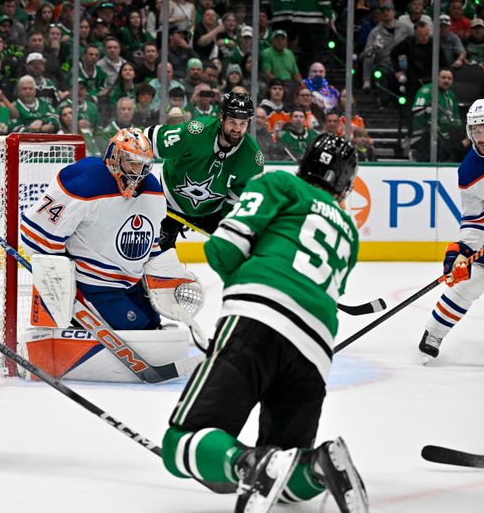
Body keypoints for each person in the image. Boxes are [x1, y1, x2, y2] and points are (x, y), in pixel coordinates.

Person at [161, 133, 368, 513]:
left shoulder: (278, 182)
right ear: (343, 184)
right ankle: (319, 467)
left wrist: (245, 284)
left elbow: (221, 249)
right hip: (316, 350)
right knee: (289, 474)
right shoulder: (348, 231)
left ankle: (248, 463)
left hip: (257, 320)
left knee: (180, 444)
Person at [20, 128, 166, 330]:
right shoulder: (85, 182)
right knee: (138, 327)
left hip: (132, 283)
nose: (138, 172)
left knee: (154, 323)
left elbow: (153, 242)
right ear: (115, 157)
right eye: (132, 162)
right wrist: (63, 285)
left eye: (143, 166)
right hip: (93, 285)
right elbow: (34, 234)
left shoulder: (152, 189)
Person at [419, 98, 484, 361]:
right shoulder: (470, 170)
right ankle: (433, 333)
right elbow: (475, 217)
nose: (482, 137)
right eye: (476, 130)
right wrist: (463, 251)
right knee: (472, 278)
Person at [143, 91, 264, 251]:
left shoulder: (253, 158)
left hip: (211, 210)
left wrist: (229, 228)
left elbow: (236, 201)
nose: (237, 129)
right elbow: (151, 140)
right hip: (170, 199)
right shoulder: (198, 132)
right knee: (157, 253)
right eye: (232, 122)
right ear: (222, 117)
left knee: (242, 248)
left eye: (243, 124)